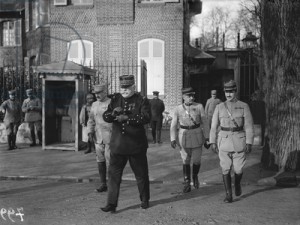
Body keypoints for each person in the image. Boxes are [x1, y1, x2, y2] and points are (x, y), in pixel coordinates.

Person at [101, 75, 151, 213]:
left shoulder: (142, 100)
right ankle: (111, 203)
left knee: (141, 175)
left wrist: (127, 118)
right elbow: (105, 116)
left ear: (133, 87)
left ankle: (144, 199)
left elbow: (146, 117)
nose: (124, 90)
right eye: (122, 87)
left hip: (136, 146)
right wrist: (111, 114)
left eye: (127, 88)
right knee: (113, 176)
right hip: (118, 145)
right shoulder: (115, 99)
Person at [209, 80, 254, 203]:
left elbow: (249, 126)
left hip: (239, 141)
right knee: (225, 168)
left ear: (235, 91)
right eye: (226, 92)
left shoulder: (244, 106)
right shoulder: (219, 107)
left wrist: (249, 142)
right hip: (223, 141)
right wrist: (212, 142)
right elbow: (213, 126)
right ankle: (228, 194)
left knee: (238, 169)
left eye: (231, 92)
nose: (228, 94)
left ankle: (237, 183)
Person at [170, 87, 209, 193]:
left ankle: (195, 176)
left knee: (196, 160)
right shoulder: (178, 109)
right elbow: (173, 124)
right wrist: (173, 138)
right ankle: (187, 182)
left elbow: (205, 123)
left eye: (192, 96)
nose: (192, 98)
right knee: (185, 160)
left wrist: (207, 138)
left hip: (197, 136)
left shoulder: (199, 106)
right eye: (189, 96)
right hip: (184, 137)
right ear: (183, 97)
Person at [87, 84, 112, 192]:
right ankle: (103, 183)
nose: (97, 95)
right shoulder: (94, 104)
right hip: (98, 137)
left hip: (109, 136)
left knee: (110, 161)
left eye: (99, 93)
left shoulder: (111, 103)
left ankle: (112, 184)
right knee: (100, 160)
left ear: (105, 92)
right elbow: (91, 119)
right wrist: (90, 131)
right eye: (96, 93)